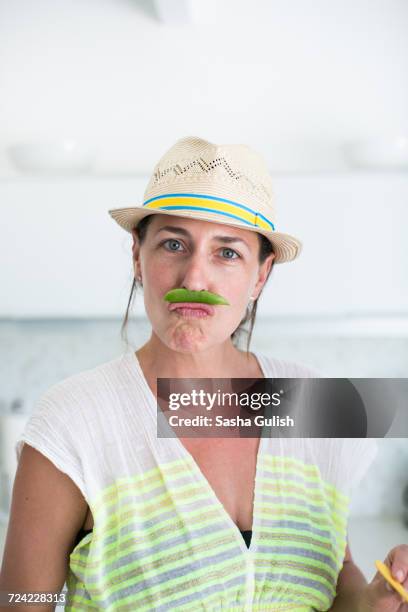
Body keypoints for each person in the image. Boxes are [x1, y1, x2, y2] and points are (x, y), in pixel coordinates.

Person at [1, 136, 407, 611]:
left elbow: (333, 576)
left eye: (227, 252)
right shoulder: (75, 422)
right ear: (138, 256)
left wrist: (374, 599)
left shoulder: (314, 402)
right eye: (174, 244)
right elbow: (21, 601)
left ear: (261, 275)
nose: (194, 279)